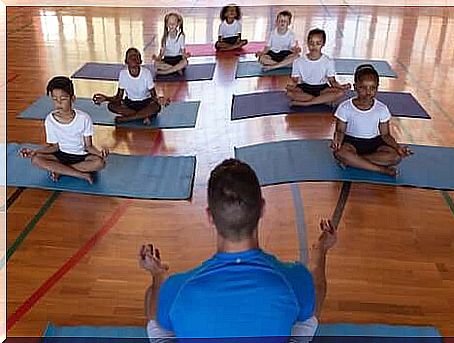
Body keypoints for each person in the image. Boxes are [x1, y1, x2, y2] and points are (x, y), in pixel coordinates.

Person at [139, 159, 338, 341]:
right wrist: (321, 250)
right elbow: (317, 290)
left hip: (172, 292)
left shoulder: (176, 287)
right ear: (262, 208)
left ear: (209, 216)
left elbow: (155, 314)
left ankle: (156, 276)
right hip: (295, 287)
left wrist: (158, 276)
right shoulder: (294, 277)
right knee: (307, 313)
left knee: (158, 323)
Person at [18, 76, 108, 184]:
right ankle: (80, 174)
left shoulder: (84, 118)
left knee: (100, 163)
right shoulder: (50, 120)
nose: (58, 103)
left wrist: (100, 153)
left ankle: (60, 170)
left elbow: (88, 146)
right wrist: (34, 151)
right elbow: (54, 147)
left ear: (73, 99)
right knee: (36, 160)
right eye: (55, 99)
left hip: (81, 156)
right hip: (60, 155)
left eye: (63, 99)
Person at [331, 64, 413, 176]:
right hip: (351, 143)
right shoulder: (345, 107)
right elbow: (340, 130)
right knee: (340, 153)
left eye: (372, 88)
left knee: (395, 157)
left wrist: (398, 147)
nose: (368, 92)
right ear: (355, 87)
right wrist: (337, 140)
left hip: (374, 143)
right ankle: (381, 169)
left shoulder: (382, 109)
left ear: (377, 88)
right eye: (363, 88)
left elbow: (385, 135)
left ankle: (354, 161)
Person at [92, 48, 169, 126]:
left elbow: (153, 96)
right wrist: (106, 98)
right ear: (126, 61)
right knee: (111, 105)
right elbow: (118, 97)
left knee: (156, 107)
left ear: (140, 61)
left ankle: (127, 119)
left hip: (146, 103)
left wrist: (160, 100)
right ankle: (144, 116)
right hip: (130, 103)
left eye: (136, 56)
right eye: (131, 56)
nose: (133, 58)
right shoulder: (123, 74)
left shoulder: (146, 73)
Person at [286, 28, 350, 107]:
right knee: (289, 93)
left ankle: (307, 103)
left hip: (322, 89)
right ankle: (322, 100)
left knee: (340, 92)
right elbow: (295, 80)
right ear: (307, 43)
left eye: (318, 43)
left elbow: (332, 81)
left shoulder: (328, 61)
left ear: (323, 44)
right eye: (311, 43)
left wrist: (341, 86)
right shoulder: (298, 61)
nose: (314, 46)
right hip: (304, 87)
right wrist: (292, 84)